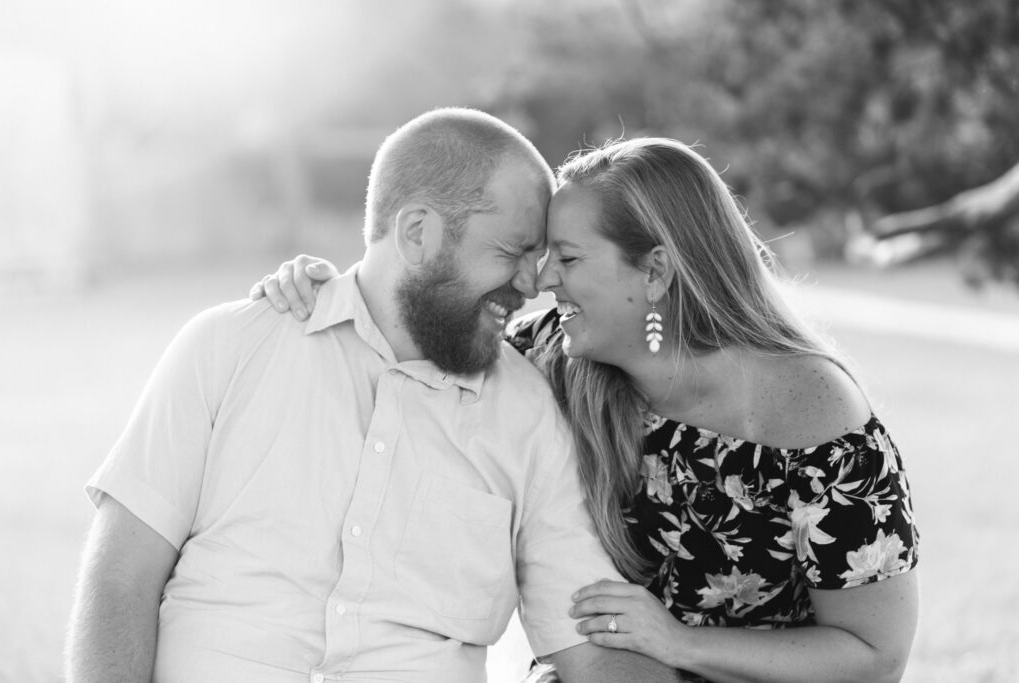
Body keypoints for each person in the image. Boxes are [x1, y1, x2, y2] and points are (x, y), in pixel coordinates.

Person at [257, 137, 920, 683]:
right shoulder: (551, 357)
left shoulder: (813, 409)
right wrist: (329, 288)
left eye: (568, 258)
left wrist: (682, 643)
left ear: (656, 271)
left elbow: (874, 653)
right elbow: (410, 336)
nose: (543, 280)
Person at [65, 109, 682, 683]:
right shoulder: (229, 347)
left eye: (541, 256)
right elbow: (120, 580)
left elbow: (587, 644)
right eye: (512, 252)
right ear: (417, 233)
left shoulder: (528, 414)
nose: (533, 283)